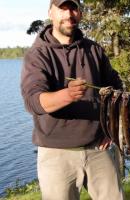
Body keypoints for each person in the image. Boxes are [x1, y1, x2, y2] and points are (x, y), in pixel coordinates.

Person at [21, 0, 124, 199]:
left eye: (74, 8)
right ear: (51, 13)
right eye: (63, 8)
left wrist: (111, 127)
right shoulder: (37, 55)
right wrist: (66, 95)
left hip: (98, 149)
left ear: (80, 13)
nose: (69, 14)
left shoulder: (94, 50)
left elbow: (116, 90)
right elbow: (33, 102)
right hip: (56, 154)